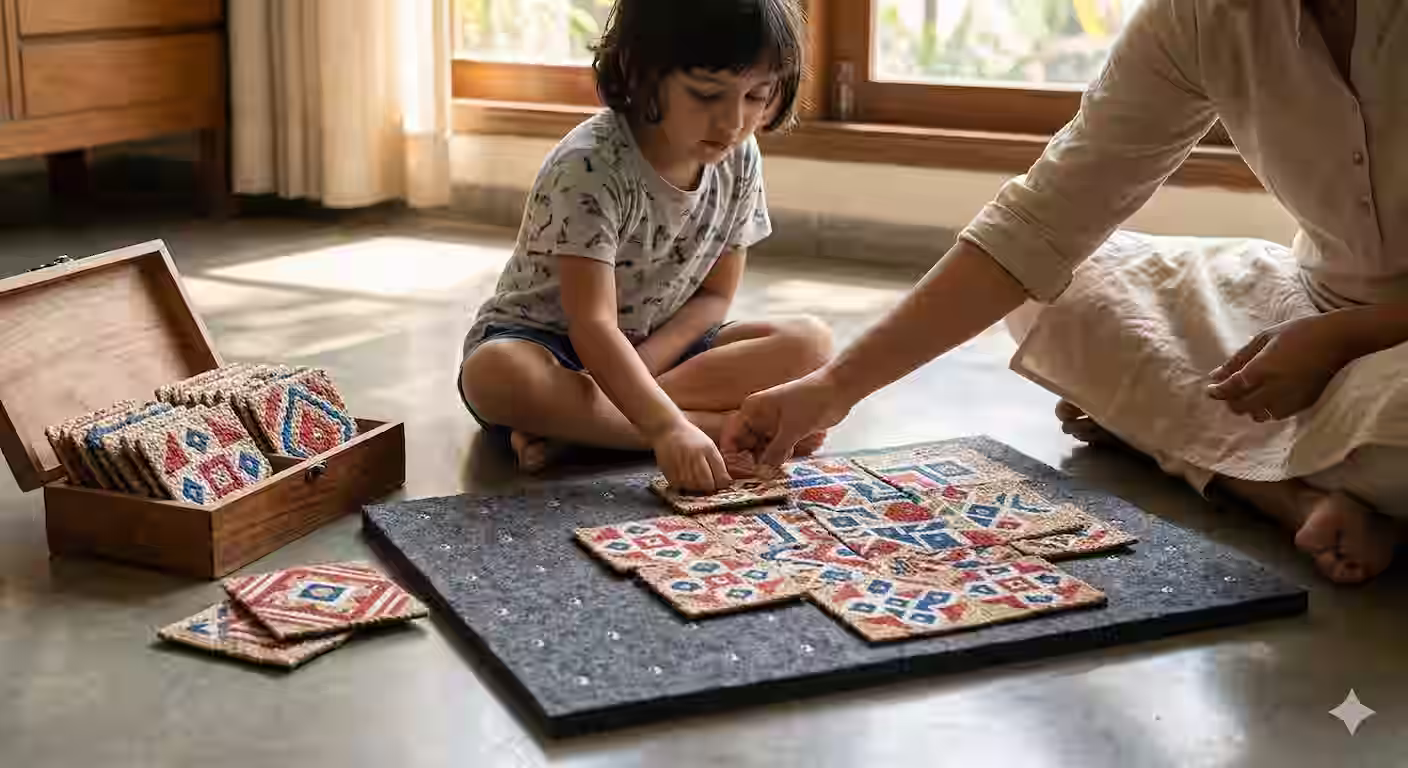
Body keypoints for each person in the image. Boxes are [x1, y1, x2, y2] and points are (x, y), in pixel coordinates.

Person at [723, 0, 1408, 584]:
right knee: (1064, 288)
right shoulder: (1199, 13)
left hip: (1385, 351)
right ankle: (1289, 497)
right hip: (1308, 301)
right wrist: (835, 386)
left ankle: (1202, 449)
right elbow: (1041, 222)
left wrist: (1346, 339)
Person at [459, 0, 831, 491]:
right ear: (641, 72)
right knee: (494, 374)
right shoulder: (589, 167)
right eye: (705, 94)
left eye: (755, 96)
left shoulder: (741, 157)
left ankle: (580, 430)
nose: (732, 123)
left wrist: (645, 369)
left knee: (811, 344)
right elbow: (591, 325)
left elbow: (714, 298)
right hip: (554, 346)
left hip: (659, 345)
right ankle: (711, 428)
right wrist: (667, 427)